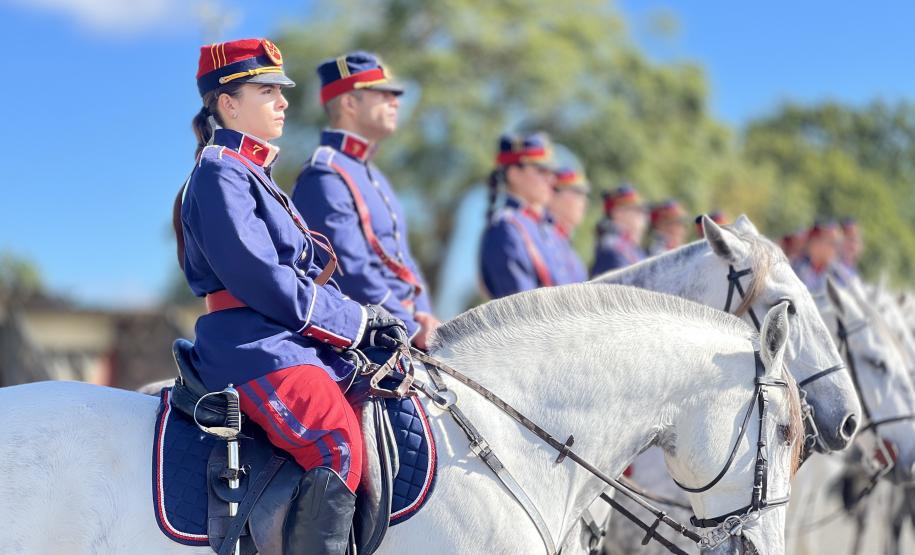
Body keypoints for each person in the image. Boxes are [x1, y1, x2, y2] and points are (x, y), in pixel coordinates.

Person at [174, 38, 408, 554]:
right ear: (228, 103)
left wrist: (364, 322)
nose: (283, 101)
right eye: (267, 91)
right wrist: (356, 321)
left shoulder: (252, 172)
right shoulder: (220, 173)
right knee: (339, 444)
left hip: (286, 341)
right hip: (252, 347)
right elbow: (262, 279)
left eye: (281, 91)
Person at [293, 51, 440, 350]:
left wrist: (424, 314)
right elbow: (352, 271)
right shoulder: (324, 173)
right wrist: (410, 327)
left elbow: (403, 258)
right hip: (370, 339)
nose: (395, 102)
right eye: (383, 94)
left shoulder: (372, 174)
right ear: (349, 102)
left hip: (403, 330)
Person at [479, 132, 567, 298]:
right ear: (514, 174)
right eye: (541, 171)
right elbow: (523, 310)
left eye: (551, 172)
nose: (551, 180)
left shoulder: (544, 229)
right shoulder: (506, 228)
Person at [591, 184, 647, 275]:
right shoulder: (611, 247)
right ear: (617, 212)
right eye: (637, 210)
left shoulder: (632, 248)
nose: (642, 217)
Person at [547, 167, 590, 283]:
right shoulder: (544, 241)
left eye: (585, 195)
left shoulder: (566, 246)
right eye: (577, 193)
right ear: (553, 195)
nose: (584, 203)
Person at [792, 220, 845, 292]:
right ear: (816, 243)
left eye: (837, 244)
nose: (836, 248)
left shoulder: (838, 274)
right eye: (832, 243)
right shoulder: (795, 270)